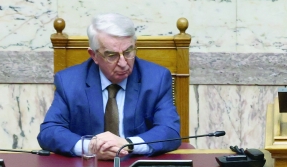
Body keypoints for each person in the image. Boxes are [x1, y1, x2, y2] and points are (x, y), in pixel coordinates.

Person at [38, 13, 181, 159]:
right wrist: (91, 147)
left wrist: (128, 145)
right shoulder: (69, 81)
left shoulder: (157, 79)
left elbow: (170, 131)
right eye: (112, 55)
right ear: (93, 55)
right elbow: (49, 132)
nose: (123, 63)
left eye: (128, 52)